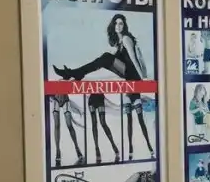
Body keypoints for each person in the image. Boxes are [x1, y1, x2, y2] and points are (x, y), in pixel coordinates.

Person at [53, 13, 154, 159]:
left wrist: (142, 79)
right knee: (104, 59)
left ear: (124, 26)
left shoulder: (126, 39)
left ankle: (74, 73)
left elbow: (133, 58)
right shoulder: (119, 43)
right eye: (116, 23)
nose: (118, 26)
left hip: (133, 74)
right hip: (127, 74)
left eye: (121, 23)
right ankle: (75, 73)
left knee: (106, 58)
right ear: (113, 25)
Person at [51, 95, 84, 167]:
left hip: (65, 98)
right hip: (56, 98)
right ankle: (57, 151)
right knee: (57, 125)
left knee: (69, 125)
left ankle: (77, 148)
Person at [88, 94, 120, 165]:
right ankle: (97, 148)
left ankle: (113, 144)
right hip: (92, 100)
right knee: (94, 124)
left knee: (103, 123)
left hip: (100, 99)